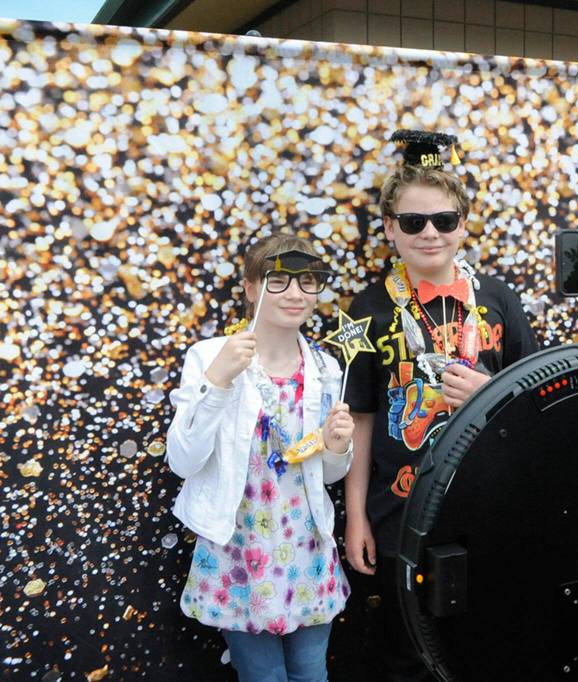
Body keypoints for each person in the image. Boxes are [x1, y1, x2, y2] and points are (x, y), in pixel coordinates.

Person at [343, 131, 538, 680]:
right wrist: (355, 516)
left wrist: (488, 394)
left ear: (464, 224)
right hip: (398, 511)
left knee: (482, 641)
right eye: (412, 222)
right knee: (404, 651)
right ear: (389, 228)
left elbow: (537, 402)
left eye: (444, 220)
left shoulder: (499, 299)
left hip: (486, 505)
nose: (430, 233)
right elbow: (359, 419)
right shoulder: (367, 310)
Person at [167, 233, 356, 682]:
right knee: (262, 677)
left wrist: (337, 445)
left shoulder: (327, 368)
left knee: (312, 674)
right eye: (278, 280)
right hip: (240, 550)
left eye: (307, 281)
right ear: (250, 288)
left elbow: (328, 474)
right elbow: (183, 461)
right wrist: (217, 383)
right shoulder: (210, 357)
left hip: (306, 547)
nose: (295, 293)